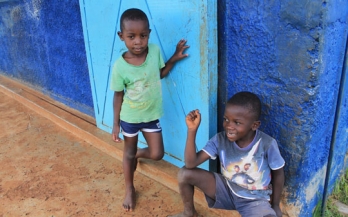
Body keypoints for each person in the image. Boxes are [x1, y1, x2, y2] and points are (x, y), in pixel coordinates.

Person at [110, 8, 189, 212]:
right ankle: (129, 188)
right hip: (130, 117)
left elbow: (159, 74)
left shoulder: (153, 51)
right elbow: (118, 95)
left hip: (151, 116)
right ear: (122, 37)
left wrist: (173, 57)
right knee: (127, 152)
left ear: (149, 34)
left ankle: (136, 154)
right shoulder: (120, 66)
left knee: (157, 153)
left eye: (143, 36)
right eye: (132, 36)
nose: (138, 42)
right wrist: (115, 124)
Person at [169, 91, 285, 217]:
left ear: (254, 125)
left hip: (254, 200)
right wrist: (192, 130)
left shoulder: (267, 144)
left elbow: (279, 174)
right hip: (226, 189)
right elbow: (190, 163)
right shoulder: (220, 139)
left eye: (237, 122)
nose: (229, 126)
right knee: (185, 173)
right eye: (226, 119)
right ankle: (189, 213)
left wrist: (275, 205)